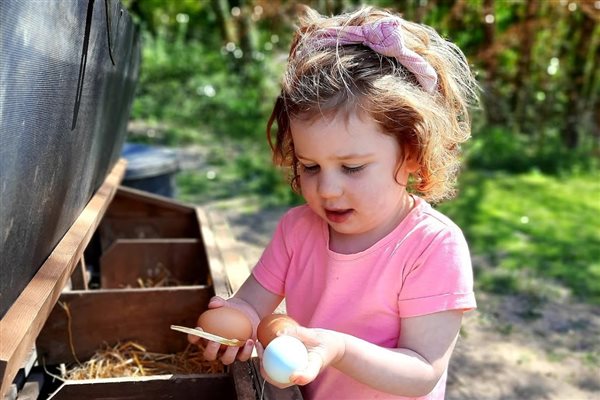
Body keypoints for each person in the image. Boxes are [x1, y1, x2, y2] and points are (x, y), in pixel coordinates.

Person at [189, 4, 479, 399]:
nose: (326, 190)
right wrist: (230, 323)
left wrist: (339, 350)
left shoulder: (431, 246)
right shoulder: (298, 229)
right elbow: (251, 307)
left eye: (352, 168)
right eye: (310, 167)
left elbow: (423, 370)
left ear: (411, 152)